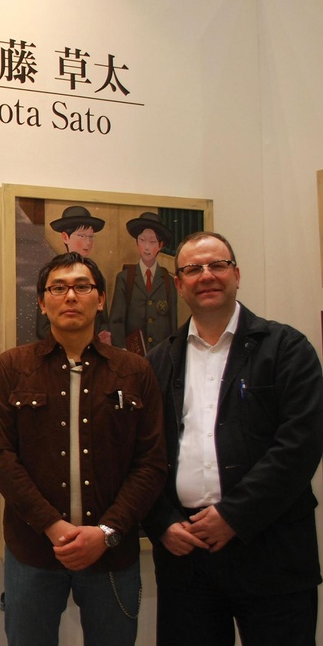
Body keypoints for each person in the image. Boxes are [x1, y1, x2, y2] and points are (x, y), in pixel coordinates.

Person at [143, 232, 323, 645]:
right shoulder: (158, 362)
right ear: (179, 284)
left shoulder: (286, 348)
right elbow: (143, 454)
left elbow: (300, 444)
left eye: (217, 265)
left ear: (237, 275)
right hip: (186, 557)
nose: (206, 275)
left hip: (272, 549)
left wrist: (235, 515)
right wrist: (162, 521)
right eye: (193, 269)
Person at [0, 252, 167, 645]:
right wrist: (53, 526)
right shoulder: (12, 368)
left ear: (100, 299)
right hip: (33, 550)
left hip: (112, 552)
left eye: (82, 287)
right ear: (42, 302)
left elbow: (151, 463)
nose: (70, 296)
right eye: (58, 288)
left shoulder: (135, 371)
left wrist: (106, 531)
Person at [36, 206, 111, 344]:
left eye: (90, 237)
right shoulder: (52, 275)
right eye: (82, 236)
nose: (87, 242)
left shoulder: (97, 276)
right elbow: (42, 329)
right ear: (65, 237)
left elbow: (103, 321)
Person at [109, 212, 178, 354]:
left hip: (160, 354)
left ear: (160, 245)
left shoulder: (168, 281)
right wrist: (122, 350)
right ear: (137, 242)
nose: (147, 247)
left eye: (152, 242)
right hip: (132, 355)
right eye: (142, 240)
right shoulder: (125, 278)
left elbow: (172, 323)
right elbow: (116, 320)